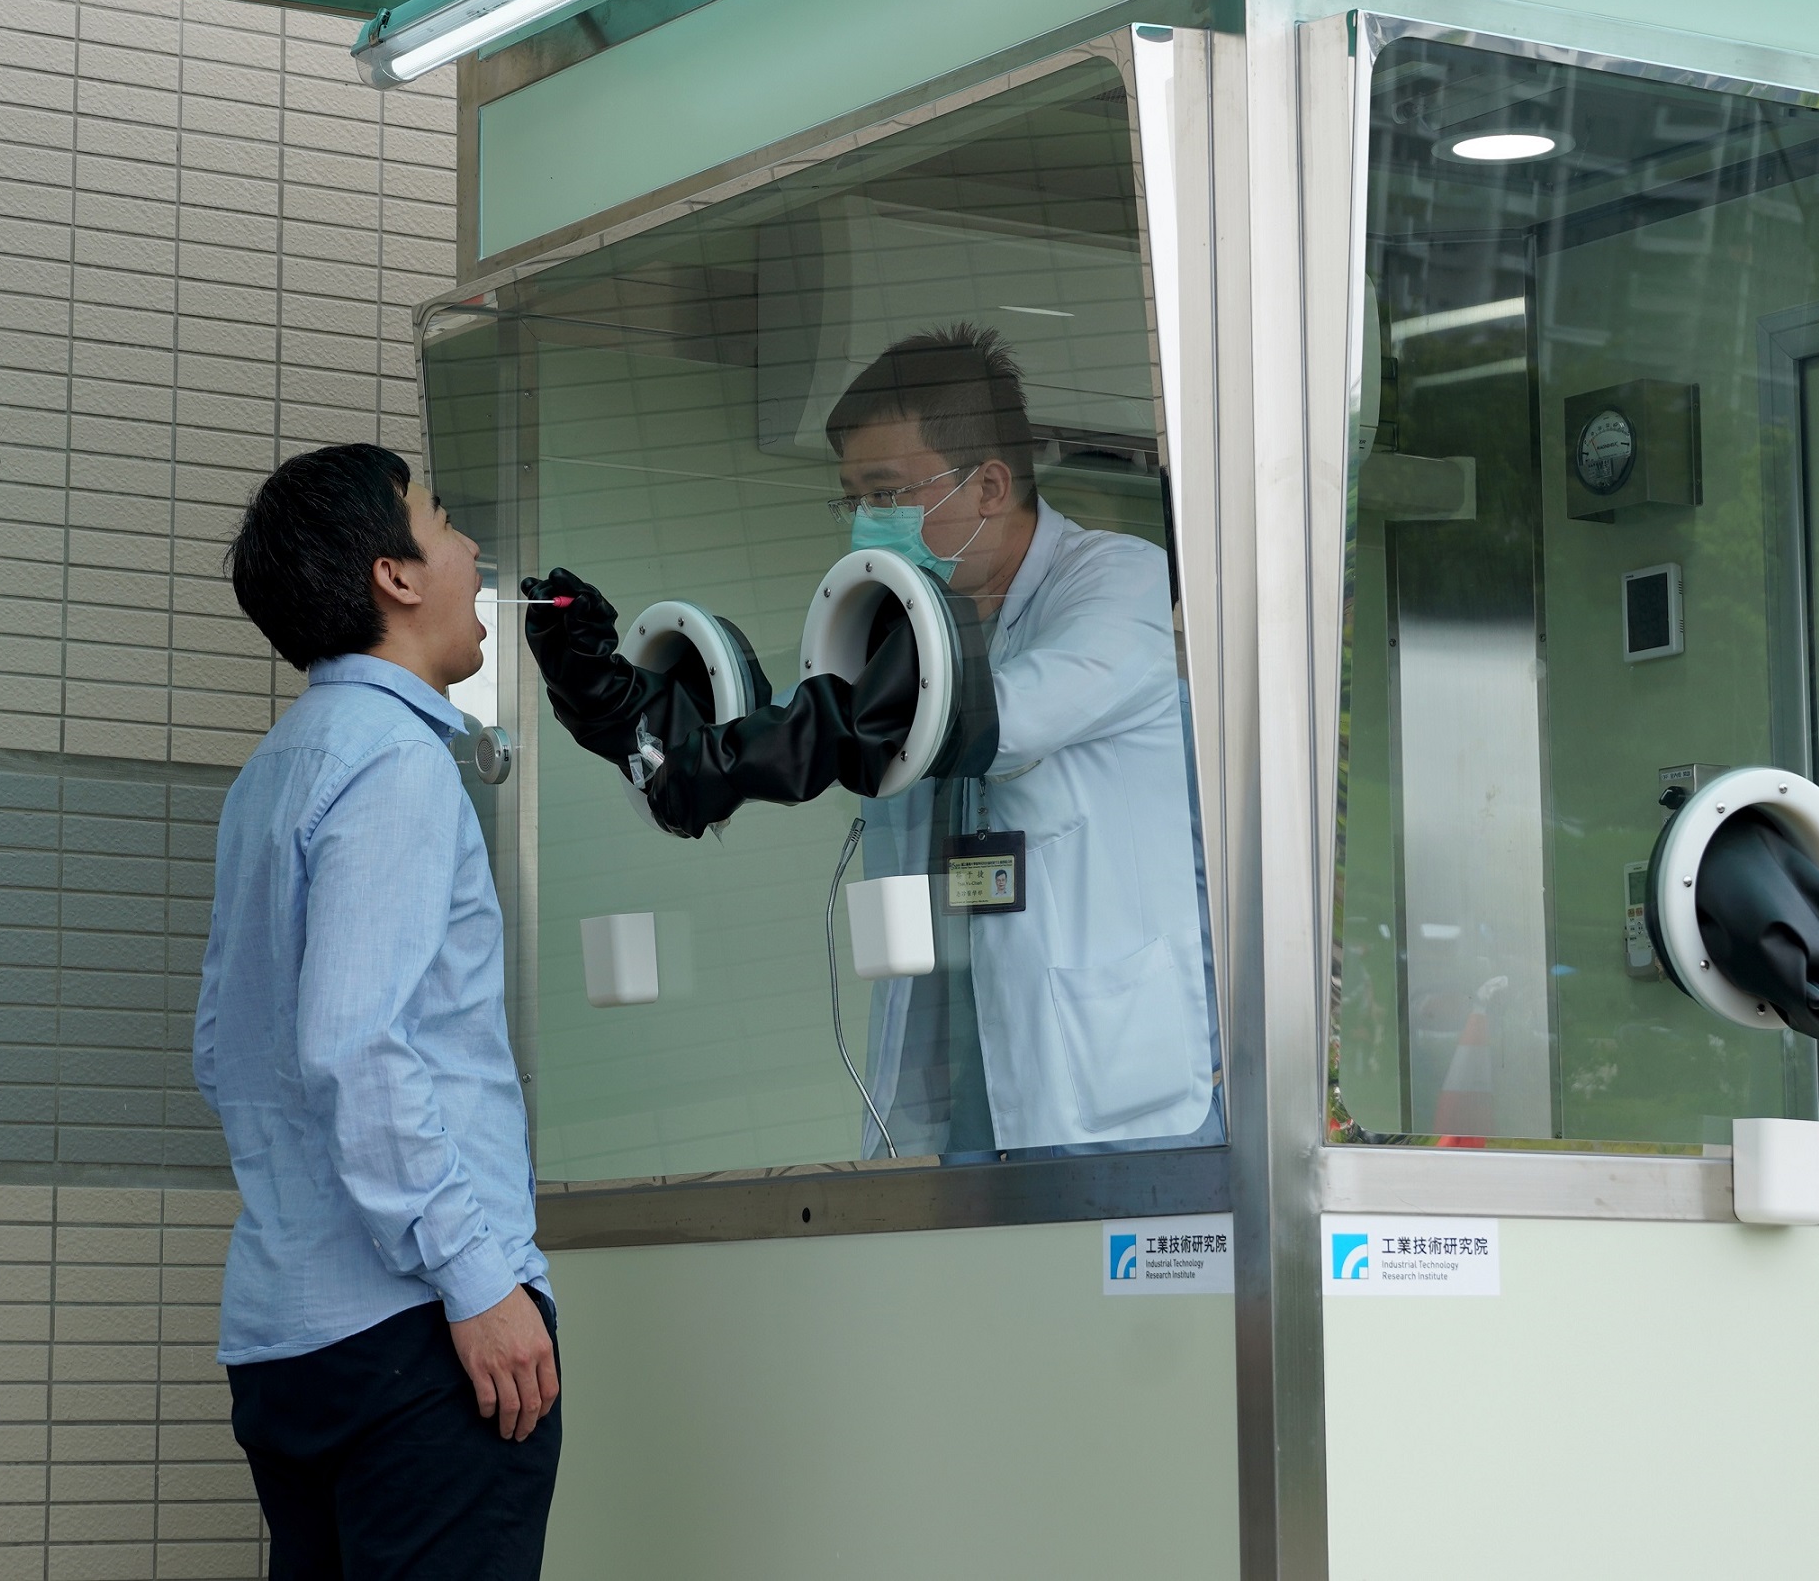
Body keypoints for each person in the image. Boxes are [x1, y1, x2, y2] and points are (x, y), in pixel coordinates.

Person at [524, 328, 1215, 1154]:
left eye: (885, 492)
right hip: (947, 1089)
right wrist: (620, 703)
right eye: (851, 496)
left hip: (1115, 1094)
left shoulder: (1116, 581)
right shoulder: (911, 620)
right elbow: (776, 720)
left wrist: (736, 752)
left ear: (989, 484)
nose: (863, 521)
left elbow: (989, 716)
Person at [197, 442, 560, 1581]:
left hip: (290, 1333)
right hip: (417, 1338)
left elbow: (228, 1051)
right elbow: (354, 1045)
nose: (468, 551)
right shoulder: (396, 764)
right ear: (394, 576)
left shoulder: (278, 769)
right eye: (442, 521)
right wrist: (477, 1278)